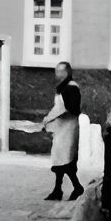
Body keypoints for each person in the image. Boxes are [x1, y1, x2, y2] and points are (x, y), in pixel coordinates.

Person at [42, 60, 84, 201]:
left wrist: (49, 118)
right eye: (57, 71)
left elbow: (69, 108)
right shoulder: (63, 87)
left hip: (69, 129)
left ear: (67, 72)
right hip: (61, 129)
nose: (58, 74)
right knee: (59, 159)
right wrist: (49, 119)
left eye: (61, 71)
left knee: (66, 160)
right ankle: (58, 190)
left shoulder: (71, 88)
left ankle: (76, 188)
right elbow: (58, 108)